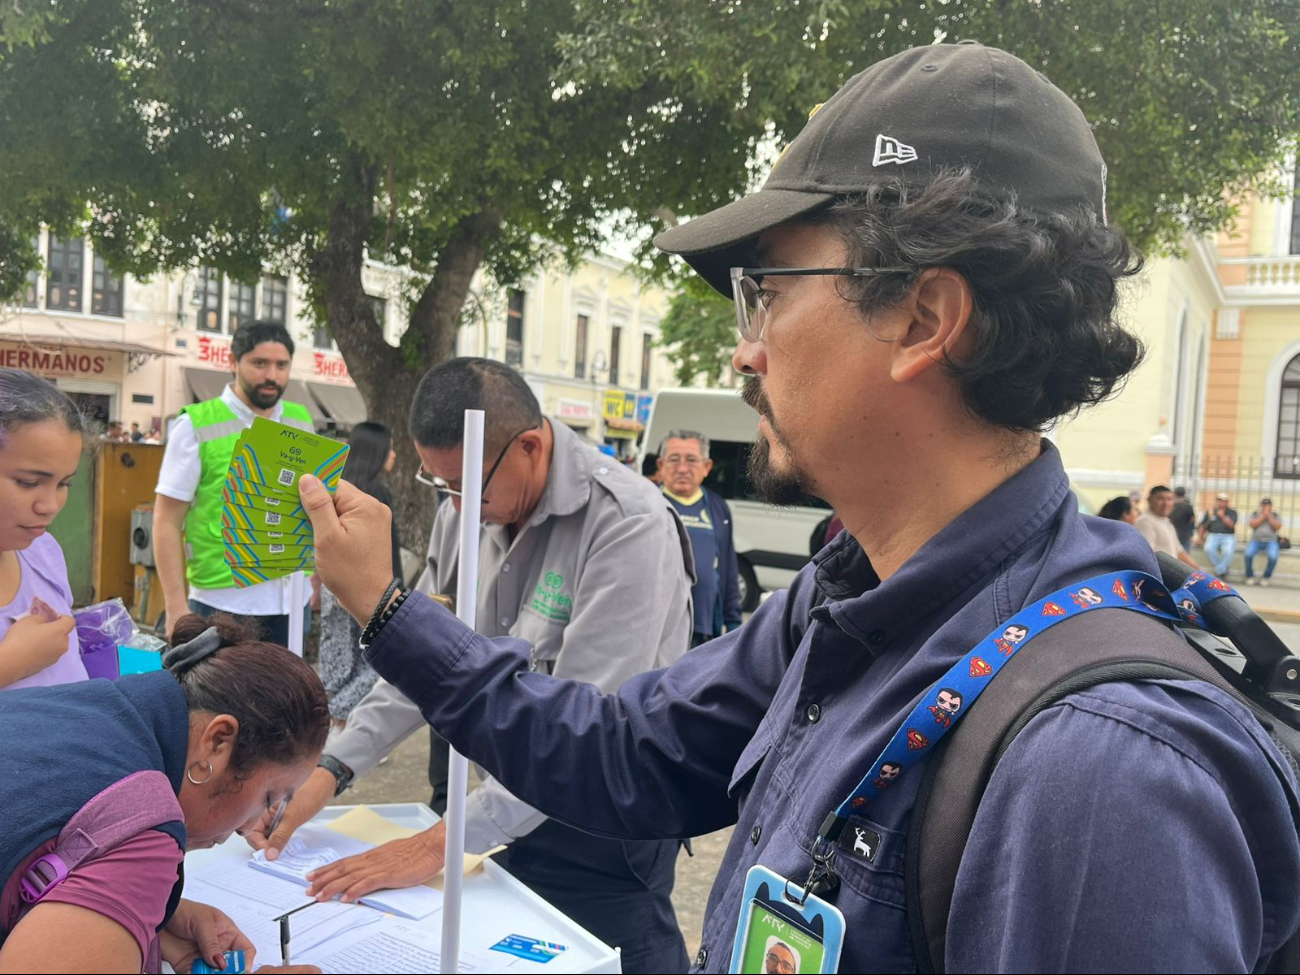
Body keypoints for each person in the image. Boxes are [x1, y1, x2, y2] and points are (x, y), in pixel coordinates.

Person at [277, 43, 1300, 971]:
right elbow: (614, 755)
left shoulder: (1097, 776)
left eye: (765, 289)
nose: (744, 345)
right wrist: (393, 614)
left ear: (923, 317)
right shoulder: (844, 604)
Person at [255, 358, 695, 973]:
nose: (459, 507)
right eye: (443, 487)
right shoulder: (463, 511)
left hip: (601, 828)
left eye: (469, 487)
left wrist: (439, 843)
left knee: (614, 960)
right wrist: (329, 769)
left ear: (530, 447)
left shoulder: (627, 525)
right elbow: (424, 657)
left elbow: (581, 734)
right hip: (495, 810)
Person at [0, 612, 326, 973]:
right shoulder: (143, 830)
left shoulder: (82, 704)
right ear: (217, 741)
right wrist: (129, 888)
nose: (247, 829)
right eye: (268, 797)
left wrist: (147, 914)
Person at [154, 321, 316, 646]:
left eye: (281, 365)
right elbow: (165, 521)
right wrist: (174, 607)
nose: (272, 375)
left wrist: (317, 583)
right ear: (233, 362)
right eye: (260, 363)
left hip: (292, 599)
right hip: (223, 603)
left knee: (289, 698)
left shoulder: (301, 419)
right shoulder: (195, 426)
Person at [0, 369, 87, 690]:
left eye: (64, 483)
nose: (50, 505)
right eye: (29, 482)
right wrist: (11, 662)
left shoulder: (44, 550)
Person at [318, 422, 402, 723]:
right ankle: (342, 715)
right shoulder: (378, 491)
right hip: (367, 583)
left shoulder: (339, 485)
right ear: (377, 451)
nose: (393, 455)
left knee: (337, 652)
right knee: (371, 659)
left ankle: (329, 714)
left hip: (333, 581)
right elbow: (387, 547)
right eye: (389, 448)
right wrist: (396, 588)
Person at [658, 430, 743, 646]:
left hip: (704, 629)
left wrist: (733, 621)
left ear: (707, 467)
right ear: (661, 466)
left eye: (692, 460)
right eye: (674, 459)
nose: (683, 468)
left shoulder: (717, 508)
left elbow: (728, 567)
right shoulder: (647, 505)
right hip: (659, 630)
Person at [1134, 485, 1200, 569]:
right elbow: (1148, 555)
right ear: (1149, 500)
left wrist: (1199, 571)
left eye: (1169, 499)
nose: (1166, 503)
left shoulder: (1166, 522)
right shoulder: (1145, 522)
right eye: (1160, 499)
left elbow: (1179, 552)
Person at [1197, 492, 1238, 579]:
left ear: (1227, 502)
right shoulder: (1211, 511)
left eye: (1223, 501)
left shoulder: (1232, 512)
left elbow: (1231, 525)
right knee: (1208, 549)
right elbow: (1203, 525)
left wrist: (1222, 516)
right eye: (1219, 500)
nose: (1221, 503)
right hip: (1213, 535)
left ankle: (1219, 571)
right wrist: (1200, 538)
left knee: (1227, 551)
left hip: (1228, 536)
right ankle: (1223, 569)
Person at [1245, 498, 1284, 587]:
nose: (1266, 507)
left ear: (1271, 506)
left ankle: (1266, 577)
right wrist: (1263, 516)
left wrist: (1269, 516)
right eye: (1264, 505)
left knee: (1273, 557)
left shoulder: (1275, 515)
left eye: (1268, 505)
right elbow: (1252, 525)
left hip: (1271, 541)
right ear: (1261, 506)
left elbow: (1277, 527)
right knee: (1248, 554)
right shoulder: (1255, 514)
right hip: (1256, 540)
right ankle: (1249, 576)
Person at [1170, 486, 1196, 551]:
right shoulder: (1188, 505)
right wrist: (1191, 532)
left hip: (1171, 533)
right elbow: (1192, 520)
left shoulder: (1170, 505)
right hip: (1184, 534)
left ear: (1174, 493)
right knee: (1184, 554)